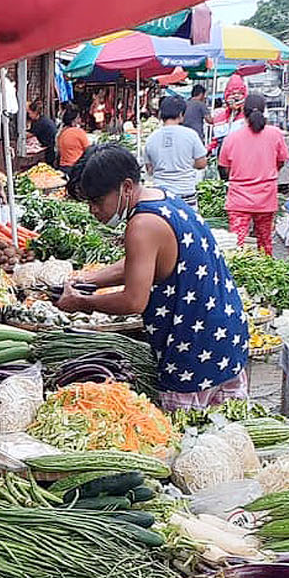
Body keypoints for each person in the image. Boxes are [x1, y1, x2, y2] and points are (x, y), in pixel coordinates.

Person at [56, 145, 249, 408]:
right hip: (224, 335)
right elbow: (139, 265)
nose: (93, 210)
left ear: (125, 187)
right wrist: (88, 281)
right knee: (225, 432)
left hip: (194, 351)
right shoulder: (161, 197)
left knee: (189, 438)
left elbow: (134, 301)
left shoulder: (142, 224)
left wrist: (82, 303)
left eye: (97, 201)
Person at [218, 93, 288, 256]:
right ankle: (267, 275)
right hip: (266, 197)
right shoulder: (275, 134)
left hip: (239, 199)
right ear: (264, 111)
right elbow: (281, 160)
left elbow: (223, 167)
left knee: (236, 245)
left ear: (243, 111)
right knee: (265, 243)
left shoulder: (232, 137)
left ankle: (235, 278)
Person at [144, 96, 209, 206]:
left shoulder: (151, 138)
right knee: (187, 222)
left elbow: (149, 170)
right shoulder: (191, 135)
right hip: (186, 194)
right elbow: (202, 163)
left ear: (160, 114)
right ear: (180, 114)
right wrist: (187, 163)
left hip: (161, 196)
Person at [56, 105, 90, 170]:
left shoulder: (61, 132)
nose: (80, 120)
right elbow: (88, 149)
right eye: (78, 118)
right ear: (74, 120)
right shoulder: (79, 132)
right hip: (76, 168)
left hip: (62, 167)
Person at [27, 99, 59, 168]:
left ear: (35, 112)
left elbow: (28, 135)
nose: (29, 115)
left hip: (51, 147)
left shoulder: (40, 123)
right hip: (51, 144)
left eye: (29, 113)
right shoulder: (42, 119)